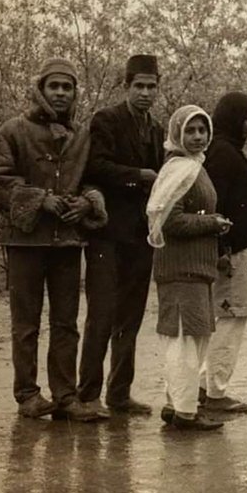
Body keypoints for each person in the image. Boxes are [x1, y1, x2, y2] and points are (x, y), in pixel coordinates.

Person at [0, 57, 109, 422]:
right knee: (26, 323)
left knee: (66, 321)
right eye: (54, 86)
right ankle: (27, 395)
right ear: (41, 89)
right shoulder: (13, 131)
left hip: (67, 243)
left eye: (67, 87)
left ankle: (66, 397)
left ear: (74, 93)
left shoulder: (80, 136)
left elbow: (93, 178)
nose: (60, 93)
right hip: (26, 242)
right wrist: (40, 199)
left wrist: (87, 202)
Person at [78, 54, 164, 416]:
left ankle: (119, 394)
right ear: (126, 86)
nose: (145, 92)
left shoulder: (157, 129)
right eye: (138, 86)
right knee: (102, 313)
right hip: (107, 233)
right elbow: (95, 166)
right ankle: (87, 396)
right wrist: (139, 175)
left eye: (151, 86)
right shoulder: (106, 120)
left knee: (132, 315)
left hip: (141, 236)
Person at [147, 105, 232, 431]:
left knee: (191, 338)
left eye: (202, 131)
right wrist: (212, 222)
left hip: (196, 269)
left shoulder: (195, 167)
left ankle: (176, 404)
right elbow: (167, 221)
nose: (198, 137)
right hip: (180, 269)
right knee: (183, 340)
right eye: (191, 131)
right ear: (177, 135)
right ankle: (185, 412)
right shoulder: (178, 169)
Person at [200, 92, 247, 414]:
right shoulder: (224, 153)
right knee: (230, 322)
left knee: (226, 321)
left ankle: (203, 386)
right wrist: (222, 248)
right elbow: (216, 202)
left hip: (233, 250)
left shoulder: (224, 149)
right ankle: (215, 391)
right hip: (231, 254)